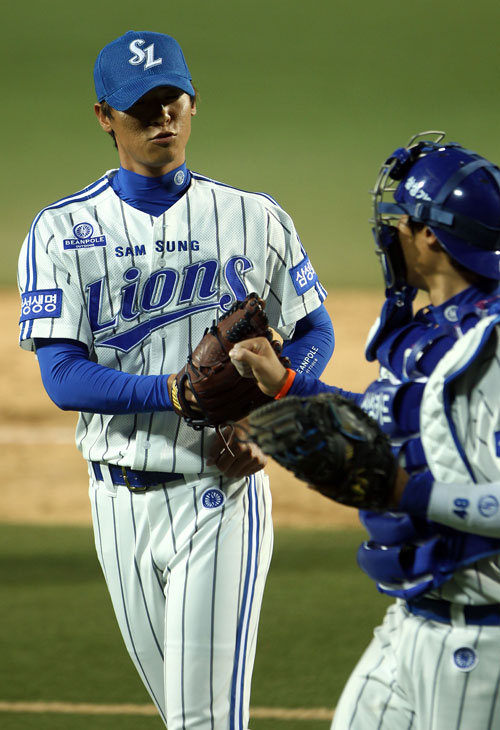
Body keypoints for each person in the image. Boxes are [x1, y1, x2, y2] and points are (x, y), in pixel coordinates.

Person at [16, 30, 334, 730]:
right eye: (143, 107)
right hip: (118, 508)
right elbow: (63, 377)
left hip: (220, 493)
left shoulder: (254, 217)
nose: (162, 118)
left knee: (205, 724)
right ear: (105, 116)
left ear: (194, 105)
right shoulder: (62, 231)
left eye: (173, 102)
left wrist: (275, 410)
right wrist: (173, 392)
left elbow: (314, 332)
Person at [229, 132, 500, 729]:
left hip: (480, 645)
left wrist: (410, 493)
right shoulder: (431, 335)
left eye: (401, 219)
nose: (389, 231)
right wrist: (289, 385)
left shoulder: (492, 346)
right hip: (410, 620)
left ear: (432, 235)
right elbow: (401, 417)